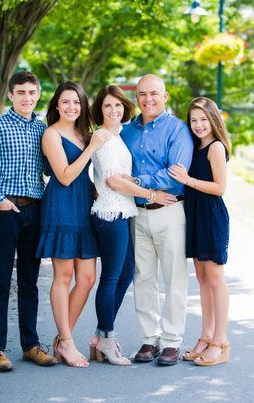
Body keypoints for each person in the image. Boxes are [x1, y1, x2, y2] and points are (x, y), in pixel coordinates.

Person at [0, 71, 56, 372]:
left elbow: (48, 167)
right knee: (1, 281)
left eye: (32, 92)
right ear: (11, 95)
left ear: (39, 93)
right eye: (21, 93)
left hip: (36, 212)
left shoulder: (43, 129)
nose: (27, 98)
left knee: (30, 282)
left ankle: (30, 345)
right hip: (7, 212)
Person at [118, 74, 194, 366]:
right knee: (144, 278)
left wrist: (135, 181)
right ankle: (150, 338)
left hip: (171, 212)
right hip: (137, 214)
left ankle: (172, 341)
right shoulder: (127, 133)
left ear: (165, 96)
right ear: (136, 98)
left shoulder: (178, 129)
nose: (147, 99)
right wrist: (142, 190)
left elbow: (175, 174)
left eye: (153, 94)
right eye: (142, 94)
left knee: (173, 278)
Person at [89, 85, 166, 365]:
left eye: (118, 106)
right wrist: (151, 194)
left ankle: (100, 336)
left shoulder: (117, 135)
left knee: (124, 275)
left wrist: (131, 182)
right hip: (110, 213)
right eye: (108, 106)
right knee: (111, 277)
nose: (114, 110)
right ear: (100, 109)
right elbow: (114, 181)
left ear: (125, 108)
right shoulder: (103, 137)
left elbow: (123, 179)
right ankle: (107, 338)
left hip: (122, 211)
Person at [36, 80, 110, 368]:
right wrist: (91, 148)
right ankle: (67, 342)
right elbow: (65, 176)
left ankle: (60, 339)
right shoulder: (51, 134)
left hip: (83, 206)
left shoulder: (83, 133)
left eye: (77, 102)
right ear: (56, 105)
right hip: (61, 206)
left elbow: (82, 174)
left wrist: (94, 186)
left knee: (88, 278)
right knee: (64, 276)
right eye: (66, 102)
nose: (71, 107)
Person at [169, 97, 230, 366]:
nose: (198, 125)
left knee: (215, 280)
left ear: (213, 120)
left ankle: (221, 342)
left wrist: (188, 180)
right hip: (193, 216)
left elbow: (220, 188)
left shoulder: (215, 147)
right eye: (194, 120)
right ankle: (205, 337)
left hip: (211, 216)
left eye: (203, 119)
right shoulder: (193, 147)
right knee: (203, 280)